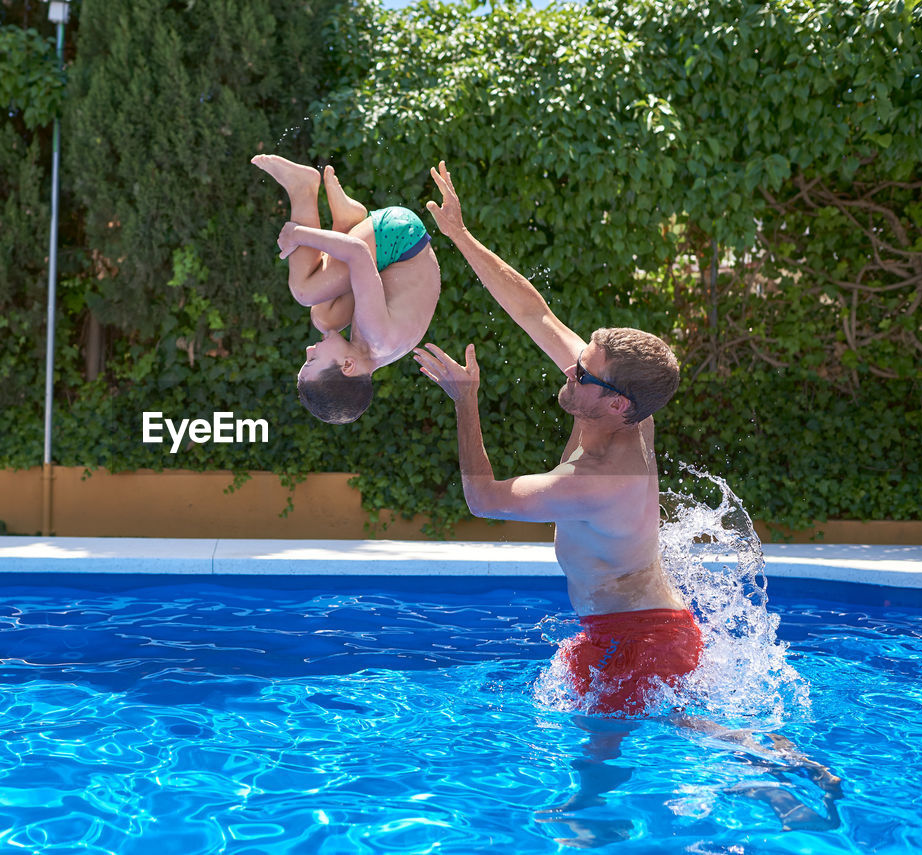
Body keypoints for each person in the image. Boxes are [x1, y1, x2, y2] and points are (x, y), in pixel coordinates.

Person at [412, 160, 693, 716]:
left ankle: (776, 763)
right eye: (580, 358)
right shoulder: (619, 402)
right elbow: (533, 312)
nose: (570, 369)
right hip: (625, 625)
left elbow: (484, 500)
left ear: (617, 403)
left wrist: (465, 401)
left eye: (583, 372)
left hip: (644, 639)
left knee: (657, 738)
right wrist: (460, 236)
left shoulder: (598, 479)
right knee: (609, 752)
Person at [252, 154, 441, 424]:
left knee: (324, 318)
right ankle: (303, 188)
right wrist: (297, 235)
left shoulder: (371, 352)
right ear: (348, 366)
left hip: (390, 259)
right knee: (305, 291)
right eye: (312, 361)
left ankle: (348, 222)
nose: (308, 350)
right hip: (398, 237)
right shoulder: (377, 335)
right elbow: (358, 253)